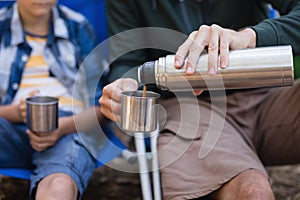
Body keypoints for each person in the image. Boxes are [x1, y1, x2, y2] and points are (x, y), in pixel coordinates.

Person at [99, 0, 300, 199]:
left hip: (269, 98)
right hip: (191, 111)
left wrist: (249, 36)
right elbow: (128, 62)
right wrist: (124, 87)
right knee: (251, 191)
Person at [0, 0, 103, 199]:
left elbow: (101, 108)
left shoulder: (77, 27)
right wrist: (12, 113)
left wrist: (62, 127)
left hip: (69, 127)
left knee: (59, 185)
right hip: (7, 126)